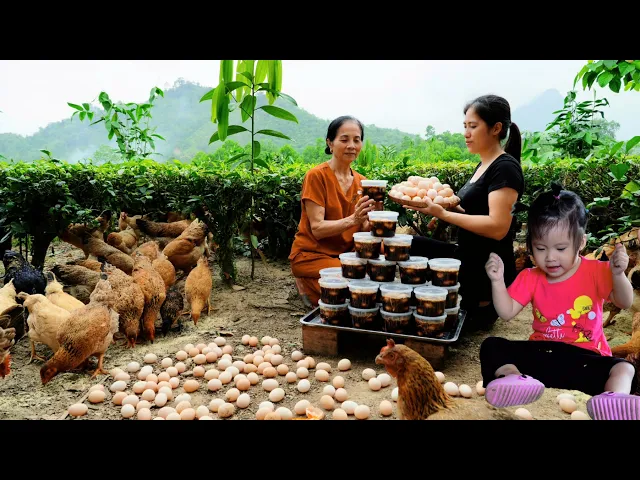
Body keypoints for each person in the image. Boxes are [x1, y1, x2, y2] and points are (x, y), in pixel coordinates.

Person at [480, 184, 637, 420]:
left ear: (581, 242)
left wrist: (618, 274)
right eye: (540, 248)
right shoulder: (531, 277)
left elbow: (624, 301)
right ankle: (513, 379)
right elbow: (506, 311)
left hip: (586, 360)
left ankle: (613, 400)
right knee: (492, 345)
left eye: (561, 248)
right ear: (530, 245)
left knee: (625, 367)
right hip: (542, 357)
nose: (550, 257)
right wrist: (497, 281)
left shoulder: (596, 271)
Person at [405, 94, 524, 330]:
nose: (466, 133)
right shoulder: (483, 165)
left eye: (473, 126)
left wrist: (444, 214)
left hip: (484, 270)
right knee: (408, 244)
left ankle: (478, 304)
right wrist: (443, 208)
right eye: (465, 126)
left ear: (496, 128)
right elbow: (474, 211)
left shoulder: (505, 168)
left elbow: (498, 227)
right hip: (467, 256)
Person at [288, 116, 376, 307]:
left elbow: (363, 229)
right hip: (313, 254)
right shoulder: (317, 176)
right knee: (353, 291)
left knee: (379, 268)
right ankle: (305, 282)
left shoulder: (363, 182)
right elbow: (318, 229)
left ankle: (316, 283)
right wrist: (353, 219)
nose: (351, 145)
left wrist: (374, 220)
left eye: (357, 140)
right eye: (344, 139)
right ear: (330, 143)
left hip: (346, 254)